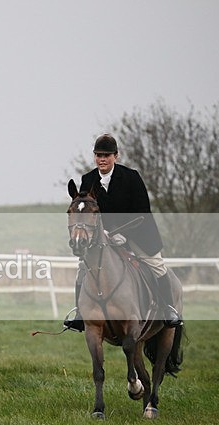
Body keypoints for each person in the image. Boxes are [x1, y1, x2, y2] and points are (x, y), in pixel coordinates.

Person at [63, 134, 183, 331]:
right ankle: (79, 314)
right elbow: (86, 213)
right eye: (98, 155)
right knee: (82, 269)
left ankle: (168, 310)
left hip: (138, 234)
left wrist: (124, 235)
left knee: (157, 265)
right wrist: (100, 234)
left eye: (106, 155)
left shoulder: (131, 177)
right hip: (103, 237)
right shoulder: (88, 179)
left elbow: (142, 211)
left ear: (116, 156)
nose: (102, 159)